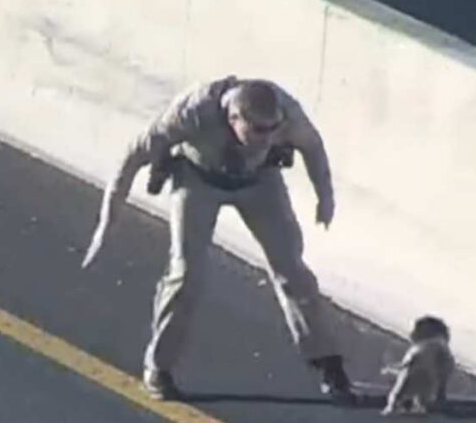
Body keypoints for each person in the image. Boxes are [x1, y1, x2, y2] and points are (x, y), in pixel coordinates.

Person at [85, 75, 353, 402]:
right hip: (198, 179)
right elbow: (134, 155)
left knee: (292, 270)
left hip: (259, 182)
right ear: (233, 118)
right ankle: (159, 367)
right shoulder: (194, 110)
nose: (267, 137)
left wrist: (325, 197)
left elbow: (312, 146)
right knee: (186, 274)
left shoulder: (287, 114)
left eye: (273, 130)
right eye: (257, 131)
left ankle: (327, 363)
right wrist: (107, 221)